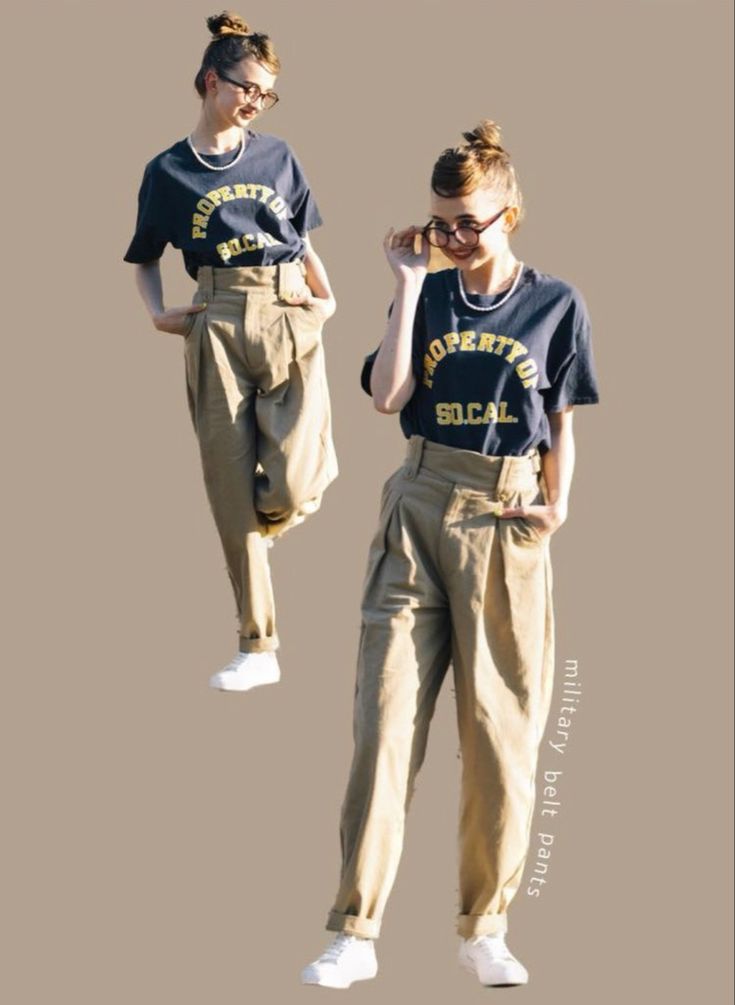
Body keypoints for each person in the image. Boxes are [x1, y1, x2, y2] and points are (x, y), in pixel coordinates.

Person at [301, 120, 599, 989]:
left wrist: (559, 506)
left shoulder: (556, 303)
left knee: (501, 737)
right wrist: (404, 282)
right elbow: (389, 396)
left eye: (469, 222)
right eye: (441, 223)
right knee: (382, 726)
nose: (453, 238)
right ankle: (355, 928)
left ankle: (484, 924)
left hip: (506, 516)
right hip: (419, 503)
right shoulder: (425, 292)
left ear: (511, 212)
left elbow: (563, 422)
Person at [124, 12, 338, 692]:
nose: (256, 102)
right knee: (227, 488)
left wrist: (326, 299)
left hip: (287, 311)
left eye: (267, 94)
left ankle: (267, 522)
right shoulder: (167, 171)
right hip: (212, 318)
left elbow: (300, 237)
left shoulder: (278, 157)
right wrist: (158, 313)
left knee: (295, 480)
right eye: (249, 88)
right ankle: (258, 644)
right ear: (212, 82)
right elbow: (144, 257)